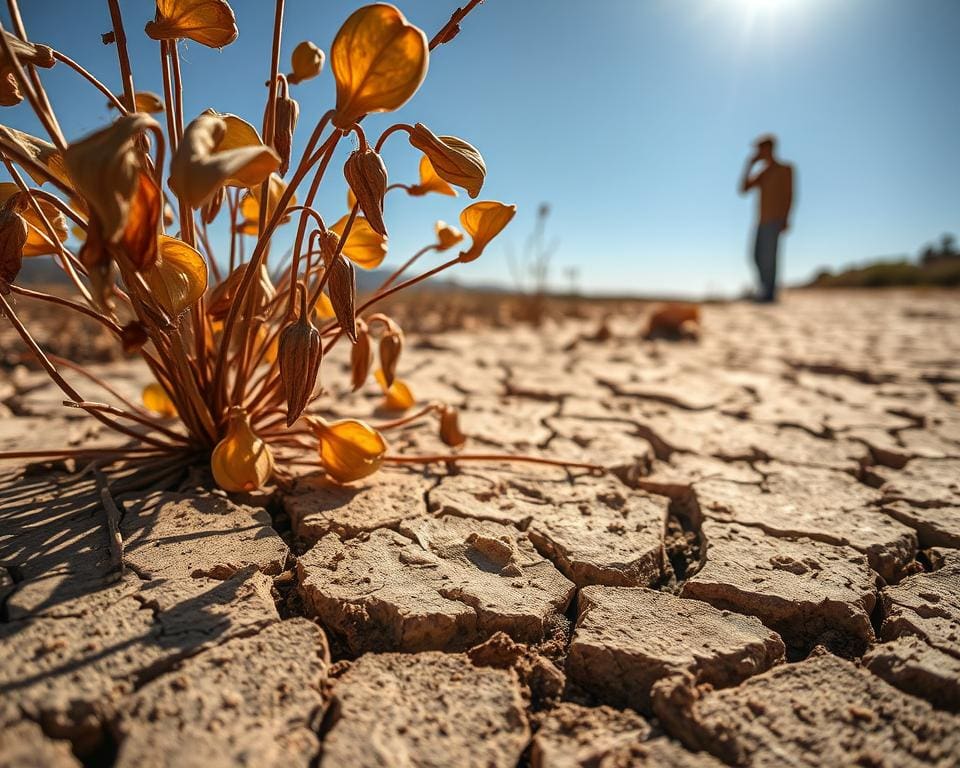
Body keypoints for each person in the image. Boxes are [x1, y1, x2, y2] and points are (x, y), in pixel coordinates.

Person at [739, 135, 794, 303]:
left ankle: (769, 293)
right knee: (755, 256)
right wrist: (749, 165)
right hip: (761, 221)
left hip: (775, 219)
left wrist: (786, 217)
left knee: (769, 257)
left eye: (759, 148)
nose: (757, 152)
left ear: (768, 148)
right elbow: (743, 189)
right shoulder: (763, 173)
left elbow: (790, 194)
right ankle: (764, 289)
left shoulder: (785, 169)